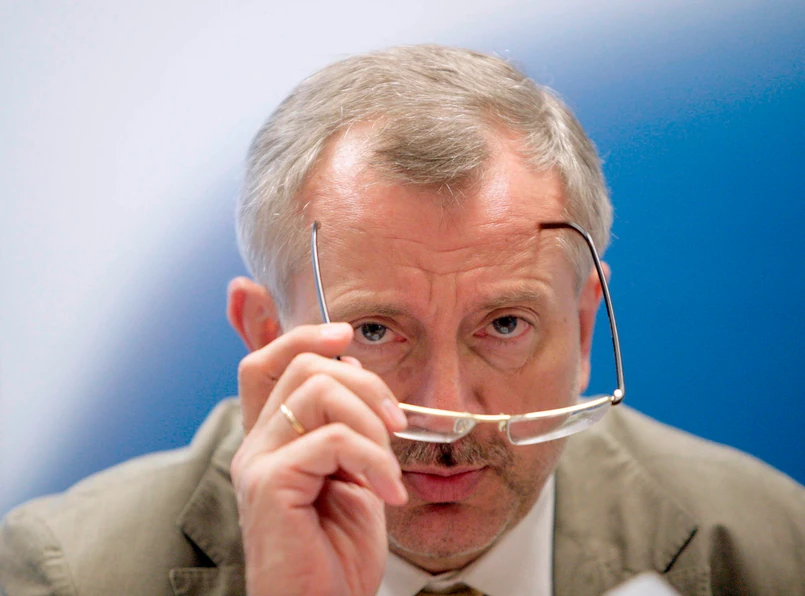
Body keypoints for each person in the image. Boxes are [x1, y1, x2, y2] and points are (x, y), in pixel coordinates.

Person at [1, 44, 803, 596]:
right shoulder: (65, 573)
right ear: (266, 336)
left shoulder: (774, 548)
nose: (447, 413)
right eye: (375, 333)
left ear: (584, 328)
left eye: (505, 325)